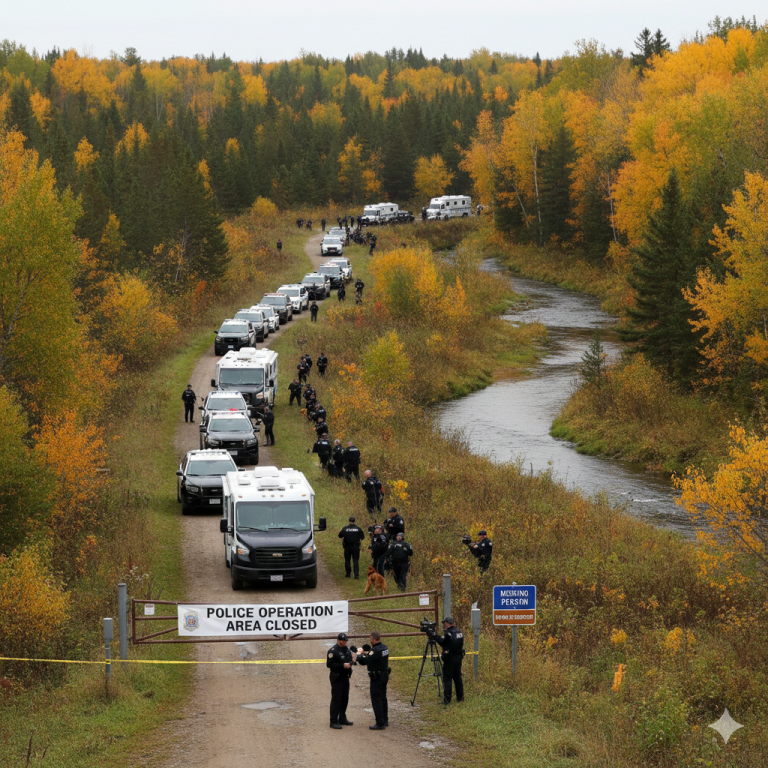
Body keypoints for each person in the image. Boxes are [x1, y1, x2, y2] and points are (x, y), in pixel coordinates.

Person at [356, 630, 389, 729]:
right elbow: (373, 657)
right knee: (383, 698)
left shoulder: (374, 651)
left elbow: (364, 661)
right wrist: (366, 653)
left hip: (376, 678)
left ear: (373, 639)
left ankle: (380, 723)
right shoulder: (384, 648)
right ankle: (385, 719)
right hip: (384, 676)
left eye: (370, 638)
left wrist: (359, 655)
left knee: (376, 699)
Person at [326, 632, 355, 729]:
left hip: (345, 677)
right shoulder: (333, 651)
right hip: (337, 677)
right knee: (336, 699)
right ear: (338, 640)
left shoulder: (346, 649)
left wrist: (352, 661)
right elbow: (329, 664)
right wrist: (342, 665)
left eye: (346, 641)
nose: (345, 642)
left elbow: (350, 659)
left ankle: (342, 717)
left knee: (344, 698)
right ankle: (333, 721)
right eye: (343, 641)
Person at [434, 617, 465, 704]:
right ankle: (460, 698)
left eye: (444, 623)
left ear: (447, 623)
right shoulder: (459, 632)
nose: (444, 625)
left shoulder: (448, 633)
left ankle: (447, 700)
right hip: (458, 657)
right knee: (458, 678)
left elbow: (443, 643)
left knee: (447, 679)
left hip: (449, 659)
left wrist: (435, 636)